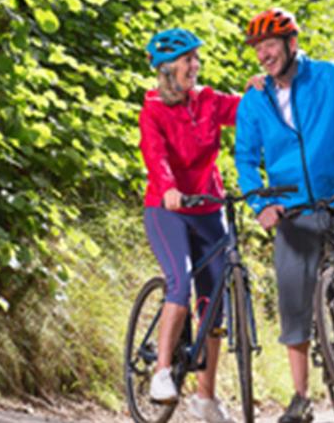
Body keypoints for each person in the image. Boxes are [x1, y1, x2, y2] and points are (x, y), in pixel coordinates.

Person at [234, 9, 334, 423]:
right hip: (291, 207)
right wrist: (260, 204)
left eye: (270, 45)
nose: (263, 55)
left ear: (291, 44)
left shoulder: (330, 76)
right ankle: (301, 397)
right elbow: (246, 159)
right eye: (257, 48)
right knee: (292, 298)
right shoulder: (255, 99)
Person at [138, 28, 239, 423]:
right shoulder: (153, 110)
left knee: (215, 303)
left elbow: (246, 112)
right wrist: (168, 189)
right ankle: (162, 372)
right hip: (168, 210)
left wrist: (263, 92)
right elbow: (155, 155)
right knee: (179, 282)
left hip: (209, 208)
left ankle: (205, 399)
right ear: (167, 70)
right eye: (186, 60)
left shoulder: (209, 101)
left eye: (196, 59)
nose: (194, 66)